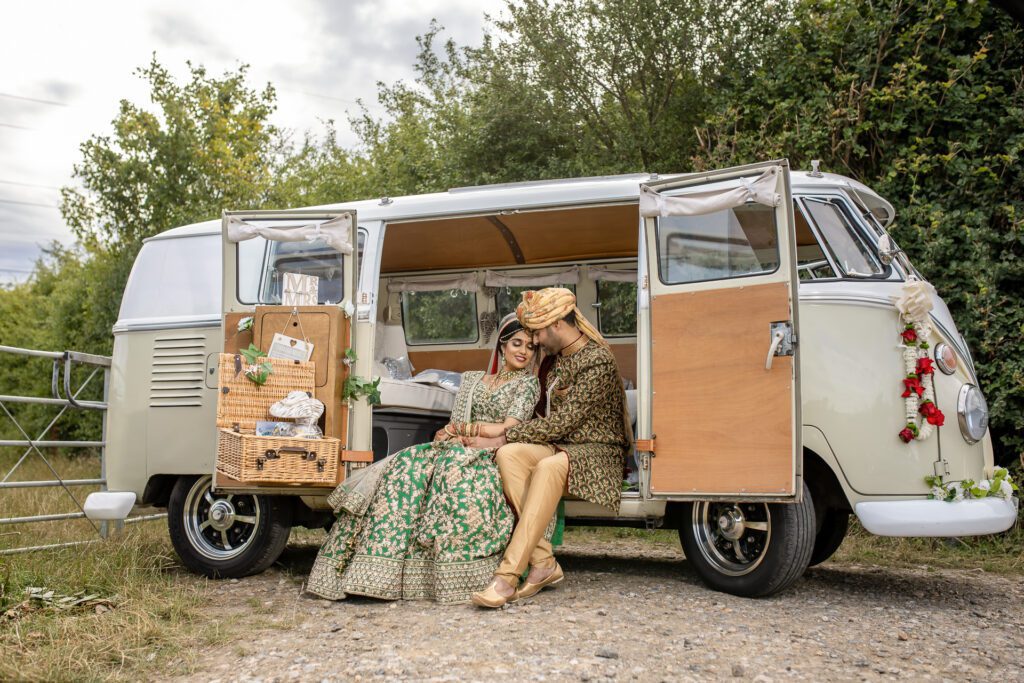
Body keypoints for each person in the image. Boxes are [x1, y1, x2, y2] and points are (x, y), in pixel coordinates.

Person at [306, 313, 541, 604]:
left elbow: (509, 429)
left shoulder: (528, 385)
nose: (523, 351)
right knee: (406, 466)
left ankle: (438, 576)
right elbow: (455, 424)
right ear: (502, 346)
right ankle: (373, 572)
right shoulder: (472, 380)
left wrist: (466, 432)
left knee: (455, 475)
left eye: (530, 347)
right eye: (517, 343)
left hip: (491, 451)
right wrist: (451, 434)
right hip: (459, 445)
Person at [471, 287, 632, 608]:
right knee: (510, 455)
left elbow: (562, 423)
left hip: (598, 452)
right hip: (562, 446)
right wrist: (504, 441)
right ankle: (544, 563)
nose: (537, 342)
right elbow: (552, 426)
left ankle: (506, 578)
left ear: (558, 324)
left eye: (539, 333)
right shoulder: (556, 362)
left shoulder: (597, 361)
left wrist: (500, 435)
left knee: (538, 461)